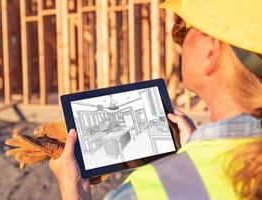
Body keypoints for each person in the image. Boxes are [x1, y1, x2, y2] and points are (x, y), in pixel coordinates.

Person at [49, 0, 262, 199]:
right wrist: (194, 149)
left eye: (183, 29)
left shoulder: (147, 190)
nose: (180, 40)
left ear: (211, 51)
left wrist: (74, 191)